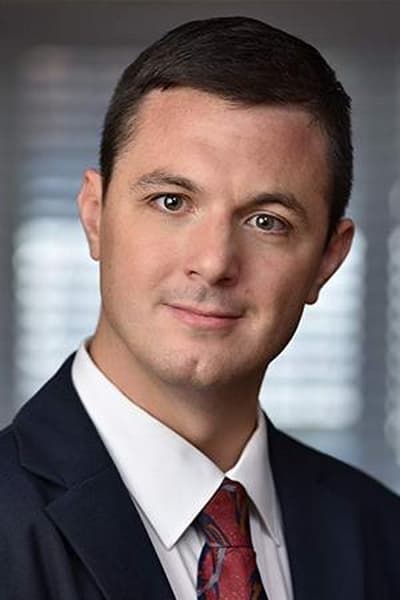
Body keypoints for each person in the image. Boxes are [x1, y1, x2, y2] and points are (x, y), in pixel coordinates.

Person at [1, 15, 399, 600]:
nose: (213, 263)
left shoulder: (383, 535)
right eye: (171, 201)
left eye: (266, 221)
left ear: (327, 259)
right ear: (94, 216)